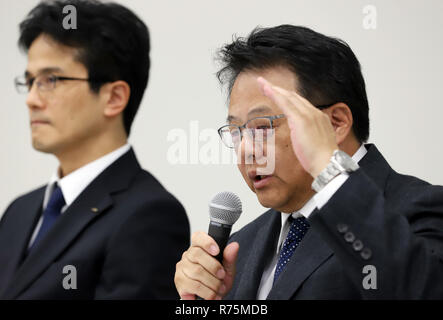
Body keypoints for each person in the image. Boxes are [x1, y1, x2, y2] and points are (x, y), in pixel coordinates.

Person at [174, 24, 443, 299]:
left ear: (335, 123)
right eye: (236, 131)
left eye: (262, 127)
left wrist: (330, 169)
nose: (245, 149)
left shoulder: (422, 210)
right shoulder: (239, 247)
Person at [0, 0, 189, 300]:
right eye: (29, 81)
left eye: (51, 80)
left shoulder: (148, 216)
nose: (31, 99)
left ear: (114, 97)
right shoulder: (19, 212)